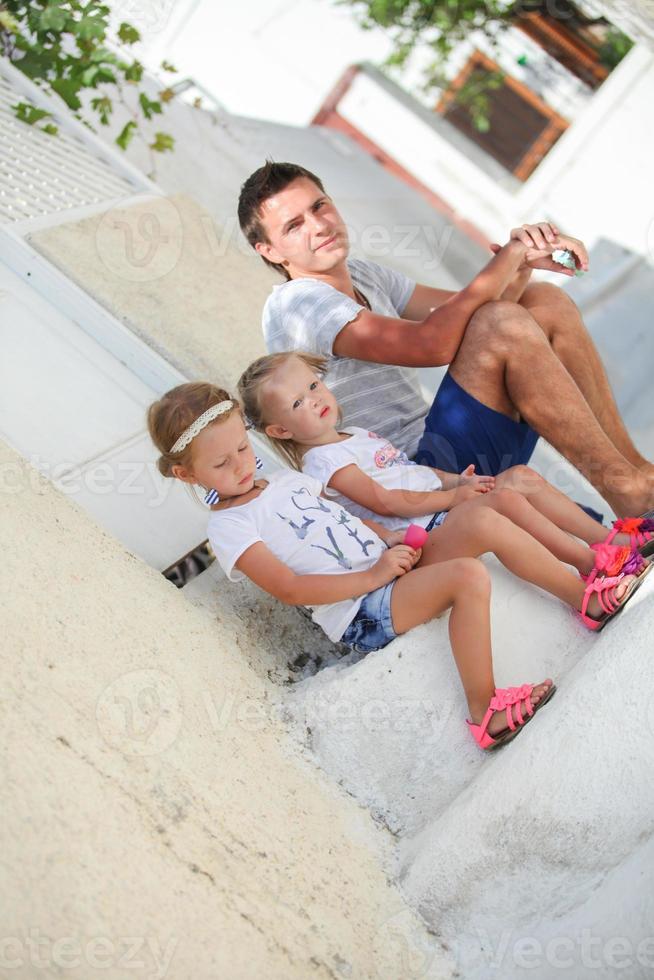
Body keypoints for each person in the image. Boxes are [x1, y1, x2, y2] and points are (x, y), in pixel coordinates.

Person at [147, 380, 557, 750]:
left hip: (388, 568)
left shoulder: (284, 482)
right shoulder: (230, 526)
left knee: (482, 516)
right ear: (186, 474)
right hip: (362, 611)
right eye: (221, 464)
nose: (240, 465)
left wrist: (386, 536)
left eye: (242, 448)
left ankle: (589, 590)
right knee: (468, 576)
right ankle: (485, 712)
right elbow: (289, 587)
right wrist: (373, 576)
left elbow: (340, 519)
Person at [237, 161, 654, 519]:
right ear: (270, 251)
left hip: (446, 451)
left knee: (543, 301)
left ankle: (636, 479)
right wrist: (505, 257)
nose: (319, 225)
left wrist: (521, 265)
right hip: (411, 480)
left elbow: (476, 313)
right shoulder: (298, 304)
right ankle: (633, 495)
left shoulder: (364, 274)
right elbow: (432, 345)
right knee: (503, 321)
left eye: (319, 206)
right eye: (294, 226)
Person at [236, 349, 651, 631]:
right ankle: (590, 574)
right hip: (422, 540)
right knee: (503, 500)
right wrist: (455, 498)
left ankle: (614, 540)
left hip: (440, 512)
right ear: (279, 431)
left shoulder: (354, 434)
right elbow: (386, 501)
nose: (313, 399)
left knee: (519, 476)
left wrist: (459, 482)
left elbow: (414, 473)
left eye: (312, 386)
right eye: (296, 404)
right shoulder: (322, 463)